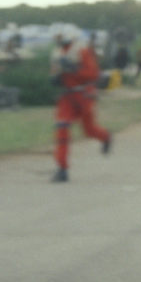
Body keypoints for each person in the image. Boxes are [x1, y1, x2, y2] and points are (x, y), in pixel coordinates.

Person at [49, 26, 112, 183]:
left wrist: (74, 70)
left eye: (60, 37)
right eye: (56, 37)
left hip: (84, 95)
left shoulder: (82, 50)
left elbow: (93, 74)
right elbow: (55, 73)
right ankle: (62, 169)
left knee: (89, 130)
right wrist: (56, 78)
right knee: (62, 127)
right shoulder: (57, 53)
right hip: (67, 97)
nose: (58, 40)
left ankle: (105, 137)